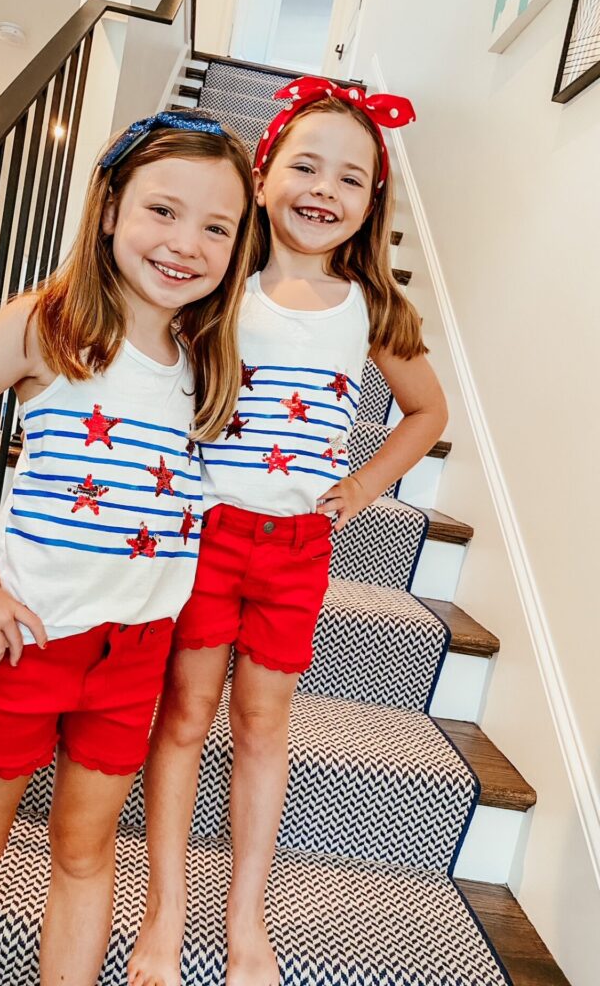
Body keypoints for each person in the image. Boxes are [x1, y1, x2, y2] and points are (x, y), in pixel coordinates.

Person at [0, 111, 257, 986]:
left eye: (217, 226)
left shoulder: (210, 356)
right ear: (110, 208)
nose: (186, 242)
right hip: (27, 638)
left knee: (86, 856)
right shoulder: (48, 324)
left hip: (136, 652)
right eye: (163, 209)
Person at [128, 79, 449, 986]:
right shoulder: (223, 282)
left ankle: (247, 923)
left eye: (350, 176)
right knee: (185, 716)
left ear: (371, 202)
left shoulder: (371, 307)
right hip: (207, 533)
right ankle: (164, 915)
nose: (324, 188)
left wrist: (361, 487)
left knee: (263, 728)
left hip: (298, 548)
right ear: (261, 176)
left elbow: (425, 412)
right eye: (305, 164)